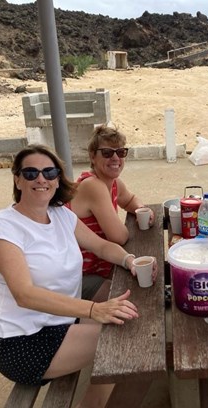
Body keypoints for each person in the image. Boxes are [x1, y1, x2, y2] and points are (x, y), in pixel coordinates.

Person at [0, 144, 157, 408]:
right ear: (17, 179)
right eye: (30, 173)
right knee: (134, 346)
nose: (41, 179)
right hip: (20, 341)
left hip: (59, 324)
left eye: (49, 172)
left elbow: (100, 246)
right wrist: (94, 310)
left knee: (131, 323)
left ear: (58, 179)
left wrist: (129, 260)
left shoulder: (59, 214)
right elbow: (24, 294)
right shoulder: (2, 229)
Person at [67, 124, 153, 301]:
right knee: (134, 296)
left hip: (100, 264)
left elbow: (129, 200)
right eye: (107, 153)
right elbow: (119, 237)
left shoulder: (113, 183)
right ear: (92, 156)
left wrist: (141, 209)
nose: (115, 157)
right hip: (79, 276)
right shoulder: (92, 185)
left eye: (120, 152)